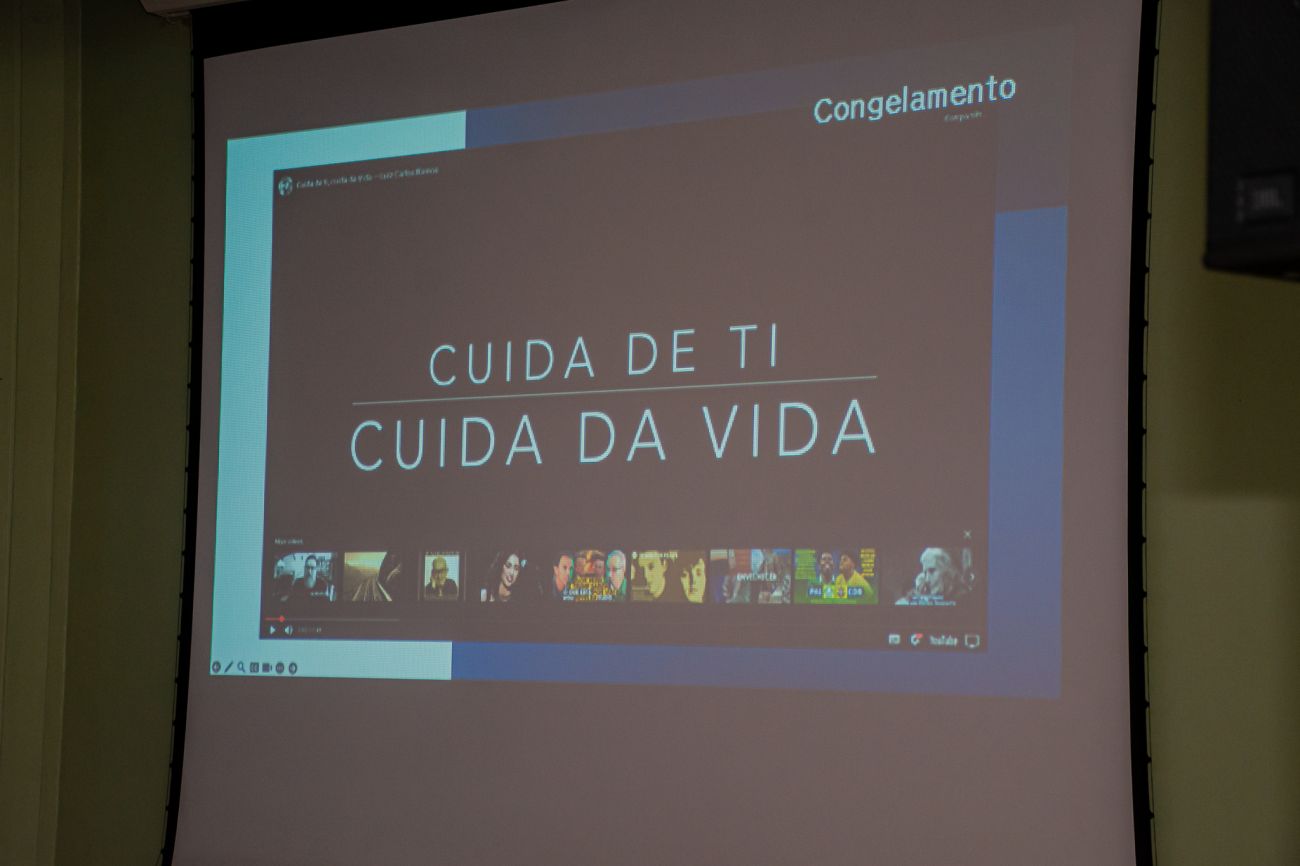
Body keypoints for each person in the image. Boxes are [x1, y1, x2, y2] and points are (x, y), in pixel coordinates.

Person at [896, 547, 963, 605]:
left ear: (947, 571)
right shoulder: (926, 597)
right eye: (925, 573)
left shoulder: (962, 598)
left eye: (932, 571)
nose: (927, 579)